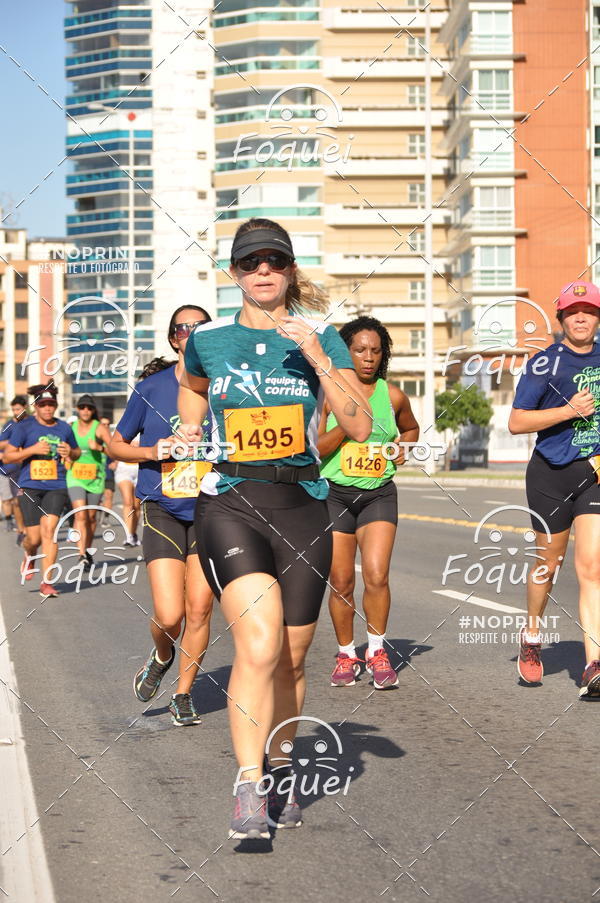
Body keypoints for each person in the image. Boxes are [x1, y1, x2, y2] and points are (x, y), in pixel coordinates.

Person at [178, 217, 371, 837]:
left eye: (275, 261)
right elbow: (191, 387)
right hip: (231, 500)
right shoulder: (207, 339)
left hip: (303, 504)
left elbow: (359, 425)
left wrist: (317, 356)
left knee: (290, 658)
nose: (263, 270)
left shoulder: (323, 336)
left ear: (289, 270)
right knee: (258, 645)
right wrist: (191, 426)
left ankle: (281, 764)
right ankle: (247, 783)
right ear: (234, 272)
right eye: (250, 262)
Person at [108, 307, 215, 727]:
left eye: (202, 327)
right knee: (170, 616)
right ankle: (162, 654)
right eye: (185, 328)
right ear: (174, 339)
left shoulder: (226, 387)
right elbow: (116, 445)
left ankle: (183, 695)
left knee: (200, 610)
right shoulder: (151, 388)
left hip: (212, 509)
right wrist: (154, 450)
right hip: (163, 507)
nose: (194, 333)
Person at [509, 280, 600, 698]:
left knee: (593, 568)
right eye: (573, 311)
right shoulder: (544, 363)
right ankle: (532, 635)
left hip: (593, 473)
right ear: (561, 318)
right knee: (549, 564)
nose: (581, 317)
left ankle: (593, 664)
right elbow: (517, 421)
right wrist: (568, 411)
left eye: (589, 310)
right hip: (550, 474)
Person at [318, 316, 419, 689]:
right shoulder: (327, 394)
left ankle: (377, 651)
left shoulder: (392, 396)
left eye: (375, 351)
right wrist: (350, 427)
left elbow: (411, 428)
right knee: (341, 580)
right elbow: (314, 448)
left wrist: (403, 447)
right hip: (334, 495)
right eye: (359, 350)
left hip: (378, 493)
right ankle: (346, 654)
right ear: (345, 352)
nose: (368, 357)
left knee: (376, 575)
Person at [4, 384, 80, 597]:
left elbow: (76, 452)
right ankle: (29, 555)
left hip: (57, 485)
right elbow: (8, 456)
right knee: (34, 539)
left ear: (55, 405)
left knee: (50, 531)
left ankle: (47, 582)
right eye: (43, 404)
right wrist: (32, 450)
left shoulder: (64, 428)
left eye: (51, 404)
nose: (47, 408)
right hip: (30, 486)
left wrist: (70, 451)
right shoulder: (24, 427)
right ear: (36, 406)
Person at [66, 395, 111, 568]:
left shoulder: (99, 428)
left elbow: (114, 450)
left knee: (91, 518)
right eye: (82, 407)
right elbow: (64, 447)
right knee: (81, 515)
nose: (85, 410)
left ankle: (87, 550)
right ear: (77, 409)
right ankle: (81, 554)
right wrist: (66, 455)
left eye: (89, 408)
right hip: (75, 476)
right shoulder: (71, 427)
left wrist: (99, 448)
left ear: (93, 410)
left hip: (95, 478)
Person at [0, 395, 30, 543]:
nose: (16, 412)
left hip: (28, 468)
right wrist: (14, 442)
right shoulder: (9, 425)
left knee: (28, 501)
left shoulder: (32, 422)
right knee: (16, 501)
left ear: (25, 408)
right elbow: (0, 444)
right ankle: (21, 529)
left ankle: (31, 527)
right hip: (11, 469)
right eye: (14, 410)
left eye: (18, 409)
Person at [114, 455, 140, 546]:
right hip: (124, 469)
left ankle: (133, 533)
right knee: (128, 502)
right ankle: (128, 535)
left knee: (136, 505)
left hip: (140, 468)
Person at [99, 416, 116, 524]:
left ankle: (106, 518)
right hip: (95, 473)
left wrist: (116, 462)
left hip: (108, 472)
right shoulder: (94, 437)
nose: (106, 426)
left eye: (107, 424)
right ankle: (97, 510)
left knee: (109, 496)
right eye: (103, 424)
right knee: (96, 498)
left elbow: (117, 453)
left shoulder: (112, 439)